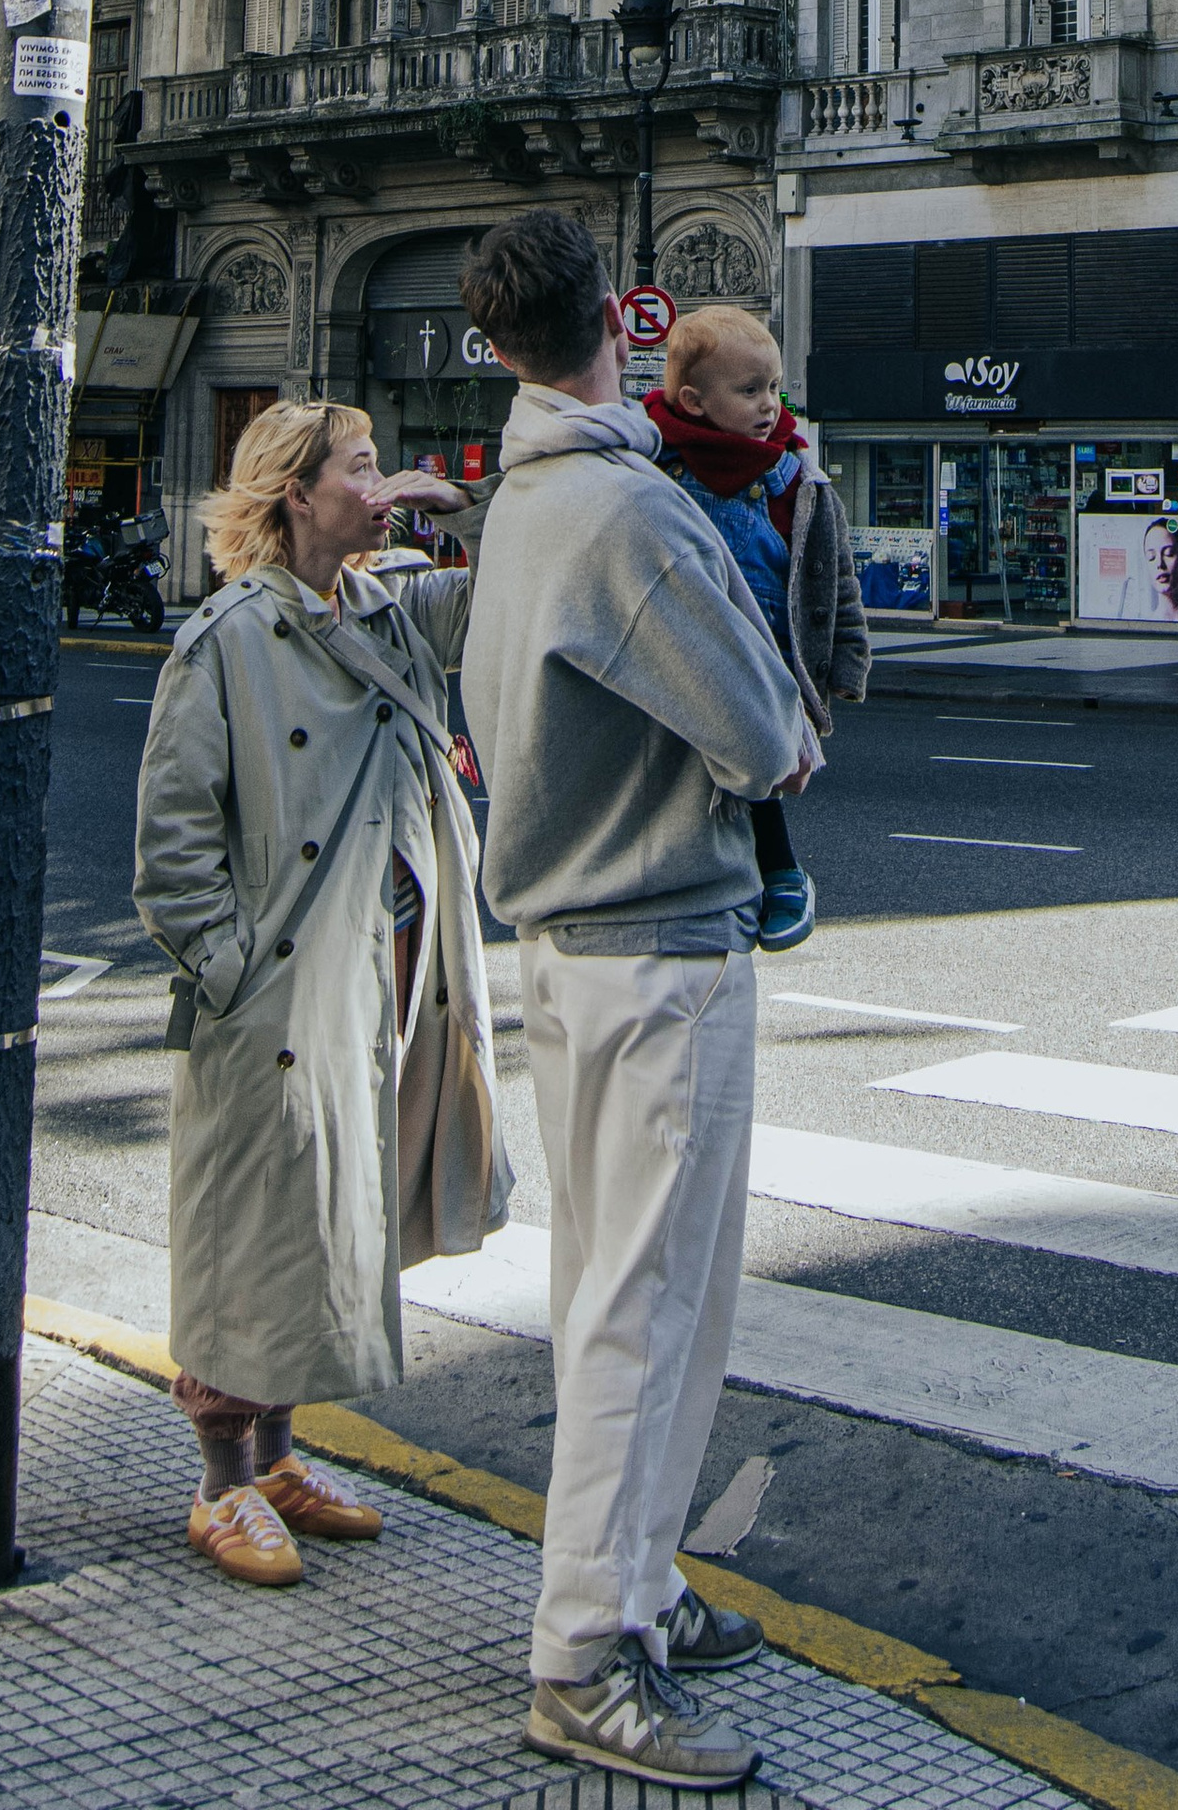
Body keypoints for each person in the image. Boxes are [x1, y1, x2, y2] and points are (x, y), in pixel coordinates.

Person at [460, 209, 811, 1793]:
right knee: (649, 1308)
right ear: (616, 318)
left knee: (627, 1291)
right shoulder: (628, 516)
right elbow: (765, 734)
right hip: (658, 948)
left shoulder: (525, 502)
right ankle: (587, 1653)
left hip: (574, 950)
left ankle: (641, 1583)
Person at [133, 400, 505, 1589]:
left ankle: (282, 1462)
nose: (380, 479)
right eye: (357, 467)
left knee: (330, 1214)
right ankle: (220, 1487)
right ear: (295, 493)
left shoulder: (386, 606)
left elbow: (509, 598)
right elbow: (172, 843)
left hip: (383, 964)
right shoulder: (228, 639)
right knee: (253, 1221)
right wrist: (236, 974)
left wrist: (474, 511)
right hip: (279, 992)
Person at [645, 301, 868, 951]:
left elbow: (835, 577)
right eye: (749, 391)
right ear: (692, 401)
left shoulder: (793, 474)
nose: (769, 404)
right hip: (682, 646)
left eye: (774, 387)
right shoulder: (652, 464)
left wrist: (844, 663)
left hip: (764, 655)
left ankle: (782, 872)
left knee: (759, 777)